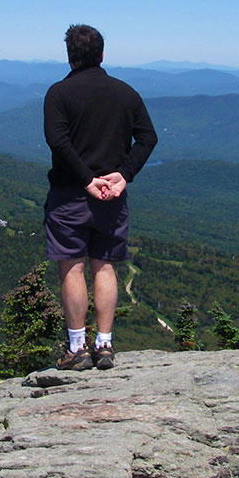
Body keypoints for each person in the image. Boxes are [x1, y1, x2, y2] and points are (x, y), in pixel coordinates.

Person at [43, 24, 158, 370]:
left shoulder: (58, 94)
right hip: (112, 197)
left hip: (69, 196)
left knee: (72, 267)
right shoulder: (125, 93)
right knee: (104, 266)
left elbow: (58, 142)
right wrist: (123, 175)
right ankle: (104, 345)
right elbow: (148, 138)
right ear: (102, 54)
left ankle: (76, 348)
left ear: (69, 56)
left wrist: (86, 180)